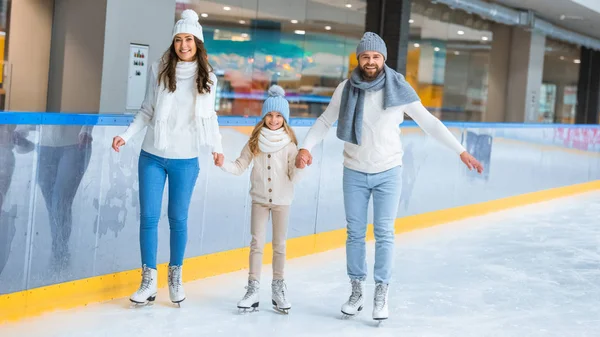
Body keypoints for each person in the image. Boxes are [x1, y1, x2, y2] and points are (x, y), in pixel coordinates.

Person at [295, 32, 483, 321]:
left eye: (376, 57)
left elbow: (429, 123)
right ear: (359, 59)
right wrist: (306, 148)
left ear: (384, 59)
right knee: (355, 233)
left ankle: (381, 291)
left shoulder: (398, 89)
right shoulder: (346, 88)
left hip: (388, 172)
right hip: (355, 171)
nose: (371, 62)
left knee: (384, 233)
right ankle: (357, 290)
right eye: (366, 56)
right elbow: (324, 121)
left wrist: (461, 151)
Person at [111, 9, 224, 306]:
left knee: (178, 219)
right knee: (148, 218)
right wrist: (127, 134)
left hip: (185, 159)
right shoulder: (159, 69)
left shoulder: (208, 77)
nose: (183, 45)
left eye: (188, 39)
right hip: (152, 155)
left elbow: (210, 116)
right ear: (173, 42)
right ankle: (148, 281)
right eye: (178, 39)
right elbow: (147, 109)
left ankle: (175, 277)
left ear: (197, 43)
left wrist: (217, 147)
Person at [217, 85, 302, 314]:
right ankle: (253, 288)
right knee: (256, 244)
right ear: (264, 116)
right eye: (270, 115)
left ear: (284, 120)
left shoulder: (290, 145)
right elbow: (239, 166)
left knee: (279, 245)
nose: (273, 120)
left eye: (278, 116)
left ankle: (278, 287)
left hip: (282, 201)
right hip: (259, 200)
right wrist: (222, 163)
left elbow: (294, 176)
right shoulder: (254, 142)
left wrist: (301, 165)